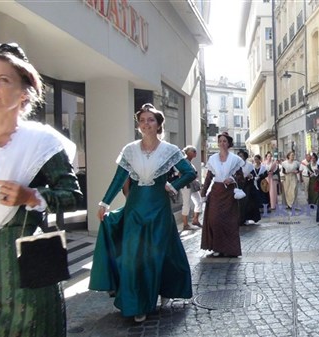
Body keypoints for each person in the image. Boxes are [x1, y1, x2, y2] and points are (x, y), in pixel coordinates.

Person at [0, 42, 83, 336]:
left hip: (25, 274)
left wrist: (29, 196)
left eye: (2, 80)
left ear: (24, 92)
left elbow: (72, 195)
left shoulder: (41, 143)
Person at [88, 103, 196, 323]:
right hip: (135, 209)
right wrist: (105, 202)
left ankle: (163, 289)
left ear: (158, 125)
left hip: (159, 209)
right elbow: (119, 179)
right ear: (139, 125)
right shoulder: (130, 149)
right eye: (143, 120)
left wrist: (172, 186)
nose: (146, 124)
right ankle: (138, 303)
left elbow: (190, 172)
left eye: (151, 120)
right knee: (134, 257)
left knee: (160, 253)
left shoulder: (170, 150)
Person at [200, 132, 245, 257]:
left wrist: (232, 178)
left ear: (229, 143)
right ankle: (217, 247)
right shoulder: (213, 159)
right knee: (214, 219)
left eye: (224, 141)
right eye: (220, 141)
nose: (222, 143)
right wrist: (203, 192)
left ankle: (229, 249)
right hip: (216, 192)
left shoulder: (235, 160)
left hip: (229, 193)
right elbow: (209, 177)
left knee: (229, 221)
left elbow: (241, 177)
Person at [181, 145, 202, 230]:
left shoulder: (189, 163)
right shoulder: (184, 162)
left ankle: (195, 220)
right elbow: (181, 173)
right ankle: (185, 224)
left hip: (192, 185)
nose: (195, 153)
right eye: (193, 151)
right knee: (186, 204)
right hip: (186, 185)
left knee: (198, 201)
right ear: (188, 152)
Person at [237, 150, 261, 225]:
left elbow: (253, 174)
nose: (240, 157)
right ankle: (241, 219)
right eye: (239, 156)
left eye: (241, 156)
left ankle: (248, 218)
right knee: (241, 203)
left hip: (248, 186)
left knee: (249, 203)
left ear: (244, 157)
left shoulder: (249, 165)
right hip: (240, 186)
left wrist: (251, 176)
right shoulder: (236, 165)